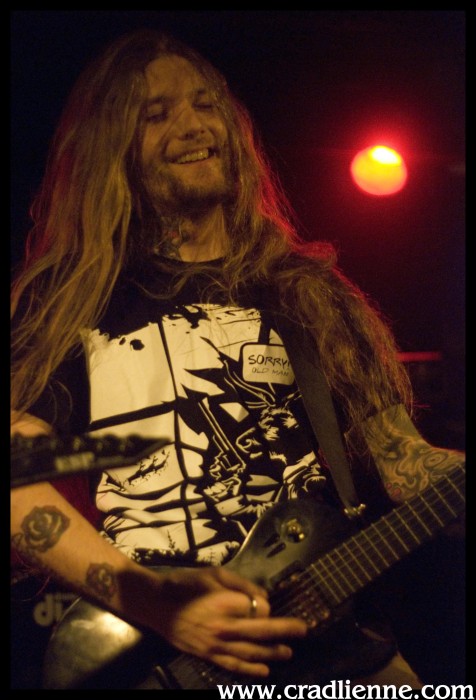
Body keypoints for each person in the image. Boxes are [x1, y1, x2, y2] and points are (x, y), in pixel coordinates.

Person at [11, 28, 465, 690]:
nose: (195, 126)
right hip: (154, 656)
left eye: (206, 104)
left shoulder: (308, 293)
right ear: (112, 147)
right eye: (157, 114)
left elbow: (405, 462)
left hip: (337, 650)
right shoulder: (75, 299)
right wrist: (154, 603)